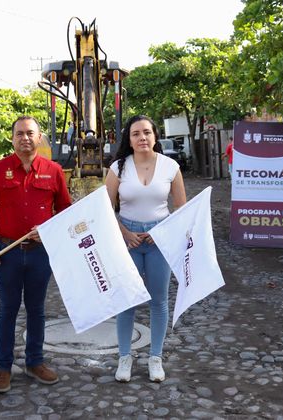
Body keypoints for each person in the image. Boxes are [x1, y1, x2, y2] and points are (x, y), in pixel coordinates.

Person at [0, 115, 72, 393]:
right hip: (8, 254)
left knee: (37, 310)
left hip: (41, 253)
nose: (25, 138)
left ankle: (34, 362)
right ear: (12, 138)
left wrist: (50, 230)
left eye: (30, 133)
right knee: (7, 310)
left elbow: (65, 210)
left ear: (39, 138)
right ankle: (3, 367)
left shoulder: (53, 171)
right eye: (20, 134)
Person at [105, 115, 187, 383]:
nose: (142, 138)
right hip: (127, 239)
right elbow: (105, 209)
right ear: (128, 139)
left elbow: (182, 209)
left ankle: (155, 358)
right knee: (126, 300)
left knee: (159, 301)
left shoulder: (170, 167)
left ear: (155, 136)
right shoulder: (118, 167)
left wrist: (162, 232)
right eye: (136, 133)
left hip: (158, 242)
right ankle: (124, 358)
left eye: (147, 133)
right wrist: (125, 233)